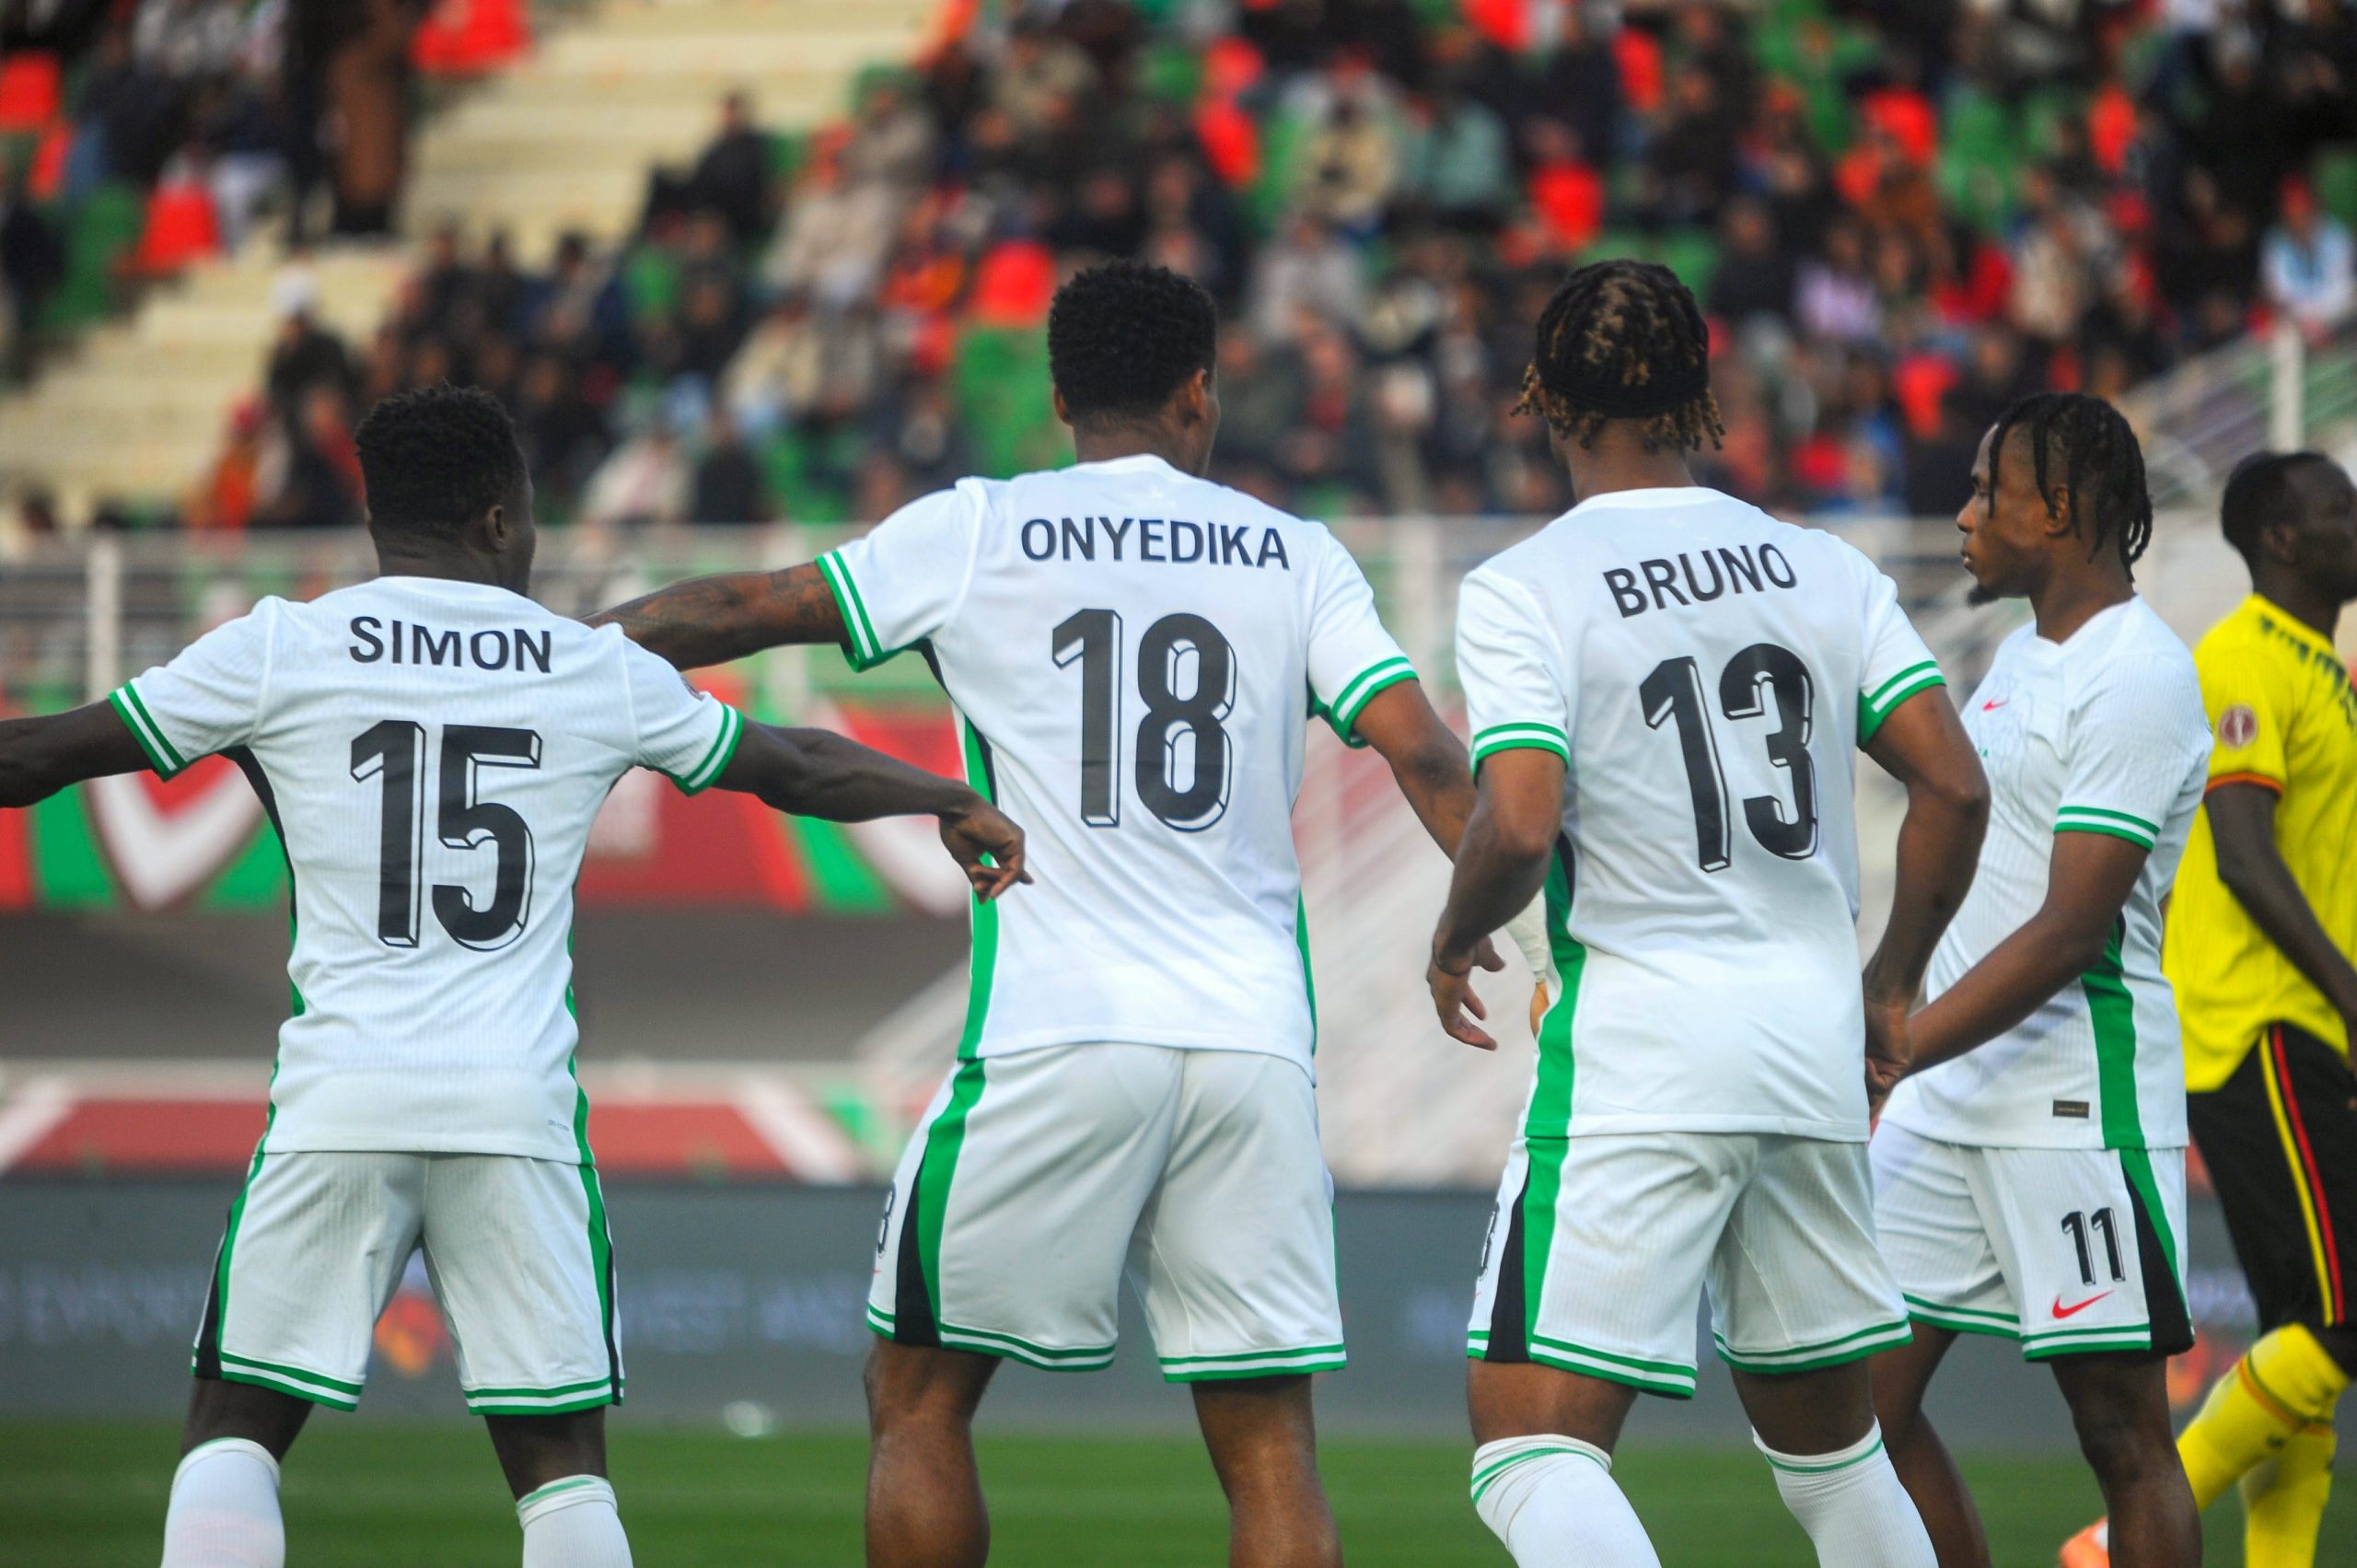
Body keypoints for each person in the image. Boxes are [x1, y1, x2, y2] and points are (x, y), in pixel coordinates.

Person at [0, 384, 1028, 1568]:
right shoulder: (585, 664)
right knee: (559, 1472)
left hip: (340, 1098)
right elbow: (791, 762)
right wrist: (944, 794)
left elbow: (39, 752)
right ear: (498, 520)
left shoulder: (281, 646)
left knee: (232, 1431)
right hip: (516, 1110)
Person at [587, 260, 1481, 1568]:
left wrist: (559, 654)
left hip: (1056, 1026)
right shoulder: (1297, 552)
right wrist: (1479, 921)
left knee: (917, 1396)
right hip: (1249, 1043)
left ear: (1060, 395)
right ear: (1201, 389)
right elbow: (1427, 755)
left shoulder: (980, 525)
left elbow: (743, 607)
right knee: (1272, 1443)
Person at [1426, 259, 1989, 1568]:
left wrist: (1454, 932)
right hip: (1805, 1049)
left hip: (1641, 1044)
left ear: (1544, 400)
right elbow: (1954, 781)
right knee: (1835, 1460)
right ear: (1701, 399)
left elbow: (1516, 819)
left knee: (1531, 1449)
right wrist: (1891, 984)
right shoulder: (1821, 565)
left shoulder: (1526, 583)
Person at [1855, 393, 2210, 1568]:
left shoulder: (2141, 674)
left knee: (2121, 1434)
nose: (1961, 515)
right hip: (1952, 1100)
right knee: (1849, 1409)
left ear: (2055, 509)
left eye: (1984, 491)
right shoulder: (2017, 656)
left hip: (2074, 1108)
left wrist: (1899, 1039)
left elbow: (2067, 928)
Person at [2065, 451, 2357, 1568]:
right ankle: (2108, 1539)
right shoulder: (2242, 659)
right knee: (2339, 1320)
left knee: (2303, 1338)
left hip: (2289, 1030)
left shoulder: (2314, 666)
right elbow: (2239, 853)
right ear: (2280, 538)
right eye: (2337, 509)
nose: (2353, 522)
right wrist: (2345, 995)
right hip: (2260, 1028)